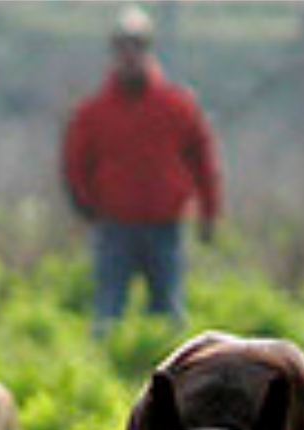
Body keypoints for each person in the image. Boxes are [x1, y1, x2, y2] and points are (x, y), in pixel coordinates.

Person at [61, 5, 220, 334]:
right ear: (114, 52)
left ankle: (171, 380)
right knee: (108, 312)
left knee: (168, 313)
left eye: (137, 46)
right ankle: (104, 374)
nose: (129, 55)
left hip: (165, 226)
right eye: (122, 47)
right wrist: (85, 204)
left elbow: (203, 161)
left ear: (148, 50)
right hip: (115, 226)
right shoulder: (93, 112)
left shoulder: (178, 106)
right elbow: (75, 163)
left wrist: (209, 211)